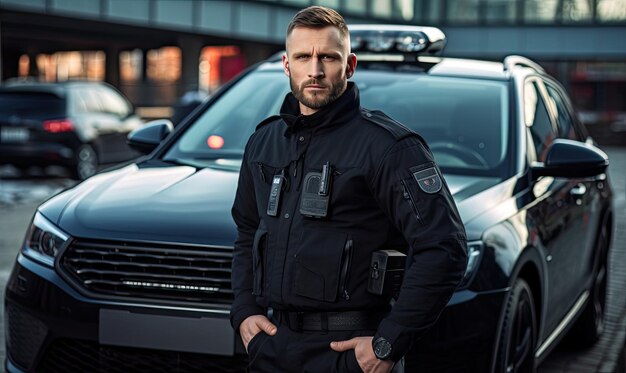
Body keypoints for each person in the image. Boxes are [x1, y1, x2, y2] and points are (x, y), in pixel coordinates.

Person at [231, 6, 468, 373]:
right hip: (272, 346)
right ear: (286, 64)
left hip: (349, 353)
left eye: (328, 57)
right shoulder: (263, 142)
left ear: (350, 65)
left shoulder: (389, 148)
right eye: (303, 57)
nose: (315, 70)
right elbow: (247, 232)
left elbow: (444, 247)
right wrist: (244, 310)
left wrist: (388, 343)